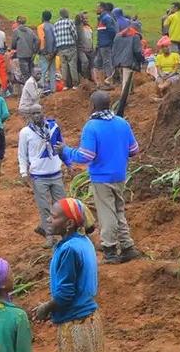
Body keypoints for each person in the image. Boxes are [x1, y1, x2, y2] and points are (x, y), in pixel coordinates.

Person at [31, 199, 108, 352]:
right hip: (90, 321)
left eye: (54, 216)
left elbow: (65, 295)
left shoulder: (68, 250)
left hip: (76, 326)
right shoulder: (83, 242)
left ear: (68, 224)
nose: (48, 219)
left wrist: (46, 308)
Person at [60, 91, 143, 264]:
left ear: (93, 106)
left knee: (107, 213)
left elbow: (85, 156)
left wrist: (66, 151)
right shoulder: (122, 123)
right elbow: (134, 150)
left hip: (102, 177)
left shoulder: (92, 126)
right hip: (120, 175)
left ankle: (110, 249)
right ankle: (127, 246)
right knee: (119, 210)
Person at [18, 105, 68, 246]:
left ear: (43, 112)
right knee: (44, 208)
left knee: (61, 206)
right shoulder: (25, 132)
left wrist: (67, 163)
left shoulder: (53, 127)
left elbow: (61, 145)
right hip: (38, 176)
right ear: (29, 116)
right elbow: (22, 154)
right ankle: (49, 237)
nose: (36, 116)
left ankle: (63, 235)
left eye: (38, 112)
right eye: (33, 113)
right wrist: (23, 172)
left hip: (56, 173)